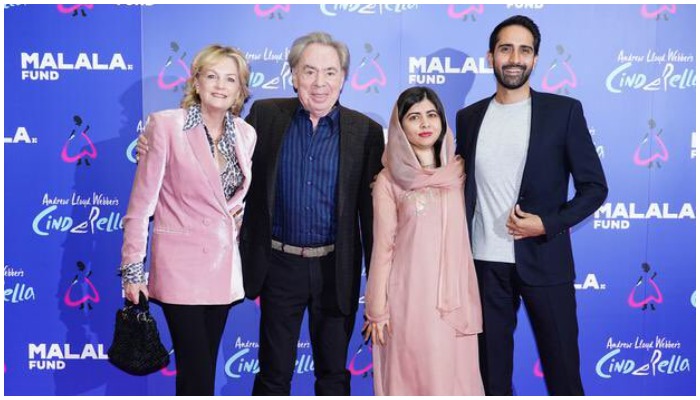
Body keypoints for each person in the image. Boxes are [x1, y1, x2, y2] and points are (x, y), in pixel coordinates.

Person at [455, 15, 608, 395]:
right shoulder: (468, 117)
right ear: (491, 56)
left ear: (535, 59)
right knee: (491, 377)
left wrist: (547, 223)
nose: (514, 58)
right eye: (506, 48)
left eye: (524, 50)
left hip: (545, 260)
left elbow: (594, 188)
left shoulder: (564, 112)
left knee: (563, 374)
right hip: (484, 265)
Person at [241, 32, 384, 395]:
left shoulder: (365, 132)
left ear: (344, 78)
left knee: (333, 376)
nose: (320, 83)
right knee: (273, 375)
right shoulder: (265, 116)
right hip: (278, 266)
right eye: (309, 71)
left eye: (330, 72)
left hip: (335, 268)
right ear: (293, 75)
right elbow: (222, 146)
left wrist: (380, 284)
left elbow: (371, 215)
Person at [121, 44, 256, 396]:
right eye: (212, 76)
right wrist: (133, 271)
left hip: (224, 272)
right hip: (181, 270)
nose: (220, 86)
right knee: (196, 374)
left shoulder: (245, 134)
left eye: (231, 79)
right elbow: (140, 206)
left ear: (241, 89)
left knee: (203, 371)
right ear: (196, 81)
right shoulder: (166, 126)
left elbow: (232, 205)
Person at [363, 86, 484, 396]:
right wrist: (377, 309)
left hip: (456, 301)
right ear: (400, 127)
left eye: (432, 115)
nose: (425, 124)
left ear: (443, 121)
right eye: (414, 117)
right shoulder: (389, 182)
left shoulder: (458, 173)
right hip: (409, 301)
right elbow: (383, 250)